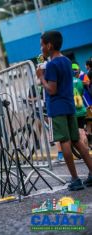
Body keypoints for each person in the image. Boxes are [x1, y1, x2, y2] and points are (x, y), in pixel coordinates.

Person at [36, 31, 92, 191]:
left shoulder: (52, 64)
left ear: (49, 45)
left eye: (42, 45)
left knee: (64, 141)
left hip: (57, 107)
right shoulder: (66, 61)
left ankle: (75, 179)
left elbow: (52, 89)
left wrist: (41, 77)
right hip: (69, 106)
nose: (41, 48)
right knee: (76, 140)